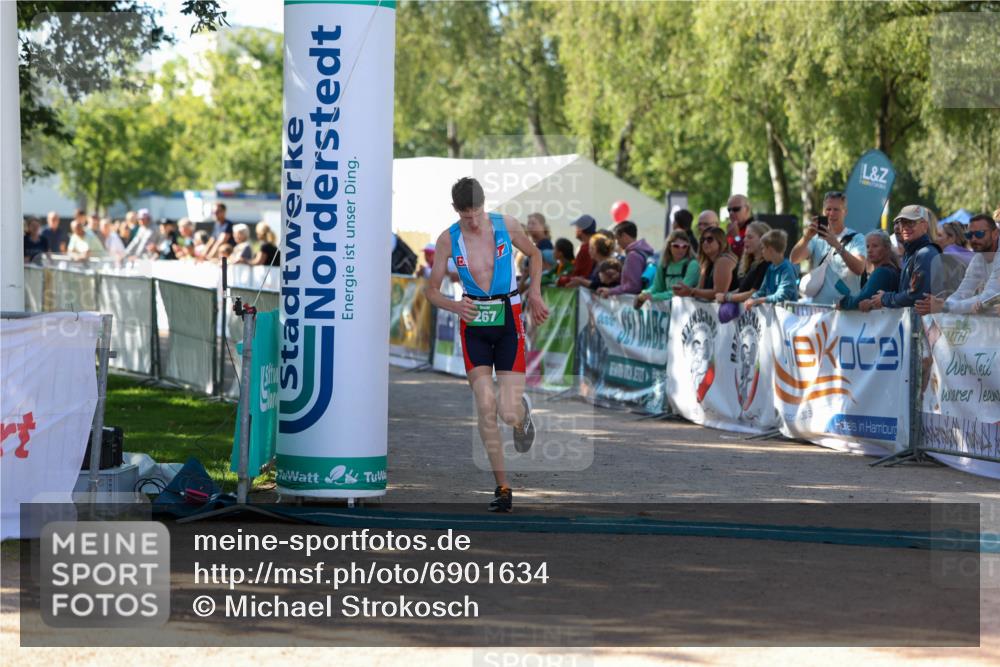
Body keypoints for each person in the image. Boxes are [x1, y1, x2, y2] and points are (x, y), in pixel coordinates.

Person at [423, 177, 549, 513]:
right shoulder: (448, 239)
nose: (474, 221)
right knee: (485, 404)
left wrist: (534, 292)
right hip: (474, 323)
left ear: (484, 205)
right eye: (466, 216)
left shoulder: (505, 225)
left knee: (507, 410)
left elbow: (535, 255)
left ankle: (522, 418)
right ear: (456, 211)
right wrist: (454, 305)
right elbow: (431, 290)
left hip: (508, 318)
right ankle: (503, 487)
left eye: (477, 213)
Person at [788, 191, 866, 305]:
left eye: (836, 209)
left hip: (846, 310)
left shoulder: (857, 238)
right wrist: (806, 237)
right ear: (823, 212)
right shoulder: (815, 238)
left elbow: (859, 269)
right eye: (828, 209)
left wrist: (837, 245)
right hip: (819, 308)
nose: (831, 213)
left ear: (845, 212)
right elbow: (793, 259)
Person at [916, 213, 999, 315]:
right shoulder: (979, 257)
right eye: (969, 235)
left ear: (995, 234)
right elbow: (962, 292)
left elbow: (989, 296)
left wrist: (945, 307)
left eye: (979, 234)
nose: (973, 239)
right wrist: (944, 304)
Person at [863, 205, 942, 310]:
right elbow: (907, 292)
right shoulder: (913, 253)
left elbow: (916, 295)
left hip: (925, 323)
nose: (905, 227)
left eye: (911, 223)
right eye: (902, 223)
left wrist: (885, 298)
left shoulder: (925, 253)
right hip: (915, 322)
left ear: (924, 225)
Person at [839, 230, 901, 311]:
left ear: (887, 249)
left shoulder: (882, 272)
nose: (869, 250)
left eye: (875, 246)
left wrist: (842, 303)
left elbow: (862, 299)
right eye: (867, 247)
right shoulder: (892, 269)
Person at [635, 229, 699, 306]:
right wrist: (644, 294)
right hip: (668, 310)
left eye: (684, 246)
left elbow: (681, 292)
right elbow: (657, 287)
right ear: (669, 246)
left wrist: (654, 297)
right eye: (676, 246)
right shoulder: (664, 265)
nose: (680, 249)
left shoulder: (693, 265)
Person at [673, 226, 737, 300]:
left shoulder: (723, 260)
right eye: (702, 240)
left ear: (720, 242)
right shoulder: (707, 263)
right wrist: (685, 291)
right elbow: (700, 289)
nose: (705, 242)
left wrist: (691, 291)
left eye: (710, 239)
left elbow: (719, 293)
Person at [716, 221, 771, 305]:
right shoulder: (752, 263)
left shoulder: (766, 264)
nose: (744, 240)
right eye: (745, 236)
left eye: (750, 237)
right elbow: (743, 289)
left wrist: (727, 297)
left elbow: (754, 293)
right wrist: (727, 295)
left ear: (763, 240)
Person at [596, 220, 654, 297]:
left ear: (624, 236)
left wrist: (611, 291)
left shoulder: (633, 255)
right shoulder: (642, 251)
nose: (617, 243)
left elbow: (634, 286)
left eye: (617, 238)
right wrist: (618, 277)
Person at [745, 230, 799, 308]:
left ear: (770, 249)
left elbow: (782, 296)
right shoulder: (770, 268)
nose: (762, 252)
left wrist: (757, 300)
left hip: (788, 317)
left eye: (763, 248)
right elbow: (762, 291)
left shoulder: (787, 269)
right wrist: (752, 298)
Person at [557, 214, 597, 287]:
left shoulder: (586, 249)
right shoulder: (592, 246)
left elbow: (580, 275)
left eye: (576, 227)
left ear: (580, 229)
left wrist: (560, 280)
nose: (575, 230)